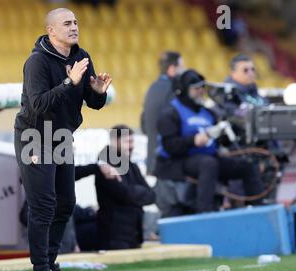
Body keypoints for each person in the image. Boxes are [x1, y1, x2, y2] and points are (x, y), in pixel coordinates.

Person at [14, 8, 112, 271]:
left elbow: (92, 104)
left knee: (66, 203)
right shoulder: (36, 62)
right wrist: (70, 82)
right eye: (67, 23)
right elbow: (38, 105)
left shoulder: (83, 57)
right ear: (51, 31)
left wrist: (97, 91)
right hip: (34, 136)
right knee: (43, 205)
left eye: (76, 22)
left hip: (61, 136)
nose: (74, 27)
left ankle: (51, 264)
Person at [154, 69, 264, 213]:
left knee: (246, 165)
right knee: (208, 164)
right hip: (179, 161)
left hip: (207, 157)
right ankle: (205, 211)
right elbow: (170, 146)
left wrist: (224, 135)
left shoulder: (207, 112)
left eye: (202, 87)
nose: (200, 91)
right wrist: (193, 140)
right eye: (196, 88)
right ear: (184, 90)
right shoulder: (170, 112)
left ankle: (258, 207)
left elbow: (220, 141)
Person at [96, 125, 156, 250]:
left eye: (132, 141)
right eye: (127, 142)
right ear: (114, 142)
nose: (131, 146)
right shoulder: (105, 164)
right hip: (113, 236)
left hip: (134, 234)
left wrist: (132, 191)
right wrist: (137, 191)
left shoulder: (132, 166)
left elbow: (151, 195)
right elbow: (124, 193)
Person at [141, 51, 185, 175]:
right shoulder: (173, 90)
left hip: (152, 162)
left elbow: (144, 124)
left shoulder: (152, 88)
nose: (184, 70)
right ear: (172, 69)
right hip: (168, 166)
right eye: (182, 67)